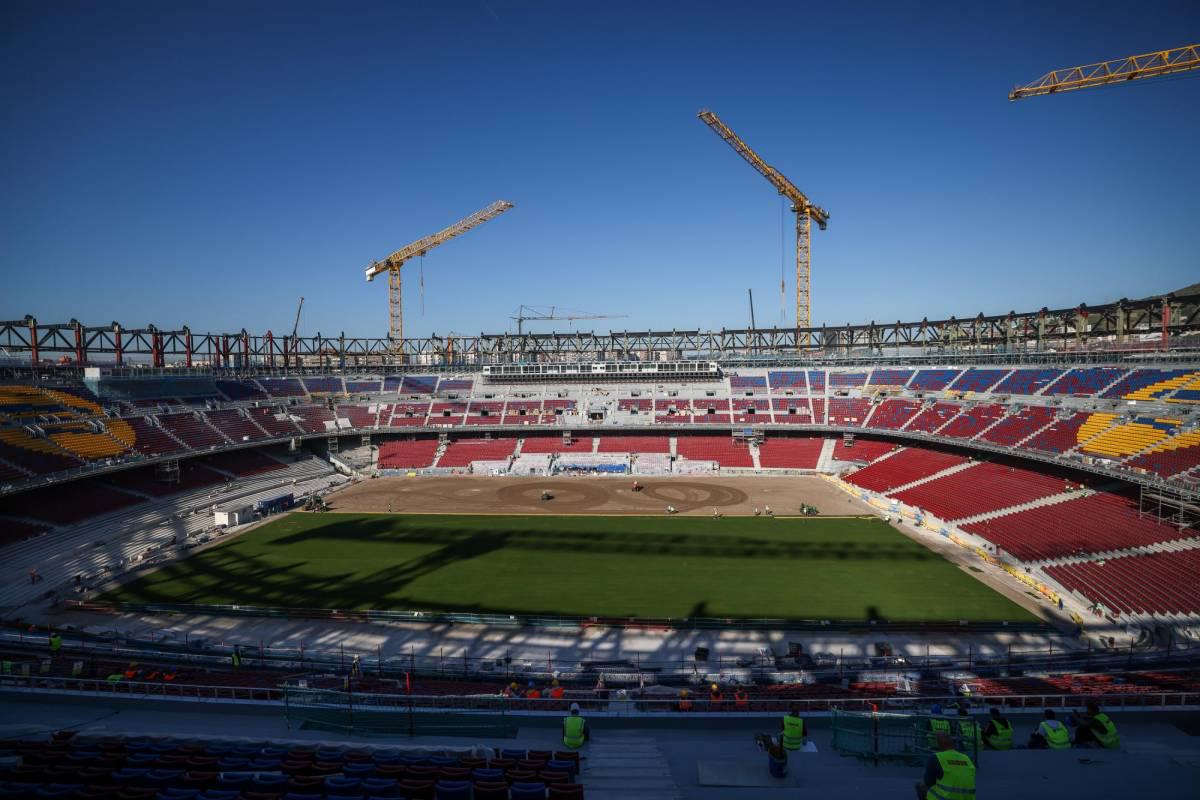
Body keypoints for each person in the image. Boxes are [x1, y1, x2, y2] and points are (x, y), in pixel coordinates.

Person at [915, 732, 976, 800]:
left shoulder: (936, 757)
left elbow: (928, 782)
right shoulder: (967, 758)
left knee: (919, 786)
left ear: (939, 744)